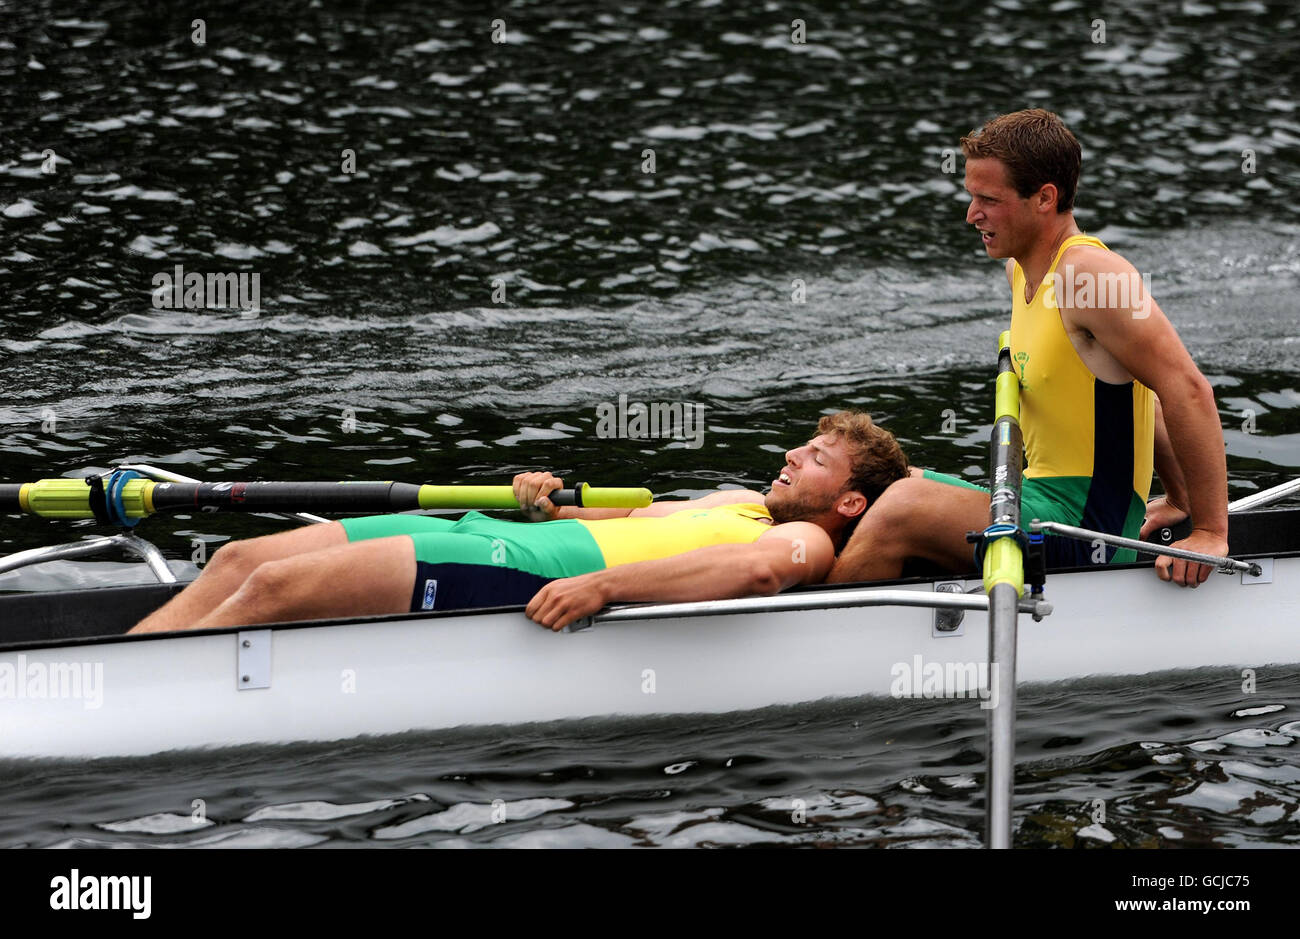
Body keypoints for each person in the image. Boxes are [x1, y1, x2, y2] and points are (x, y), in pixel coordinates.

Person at [828, 109, 1228, 588]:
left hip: (1087, 528)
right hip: (1030, 499)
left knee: (901, 509)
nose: (972, 214)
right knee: (875, 483)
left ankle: (815, 636)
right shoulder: (1019, 271)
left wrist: (1207, 530)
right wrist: (1178, 497)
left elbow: (1185, 389)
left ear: (1044, 198)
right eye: (971, 196)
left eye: (989, 200)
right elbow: (1143, 396)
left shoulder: (1089, 275)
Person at [129, 411, 909, 634]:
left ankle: (128, 699)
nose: (790, 455)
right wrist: (549, 499)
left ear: (848, 503)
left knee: (269, 584)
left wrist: (599, 586)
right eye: (802, 445)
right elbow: (621, 518)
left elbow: (757, 573)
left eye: (813, 458)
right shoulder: (737, 499)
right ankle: (131, 662)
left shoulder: (807, 539)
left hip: (523, 569)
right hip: (499, 529)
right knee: (236, 558)